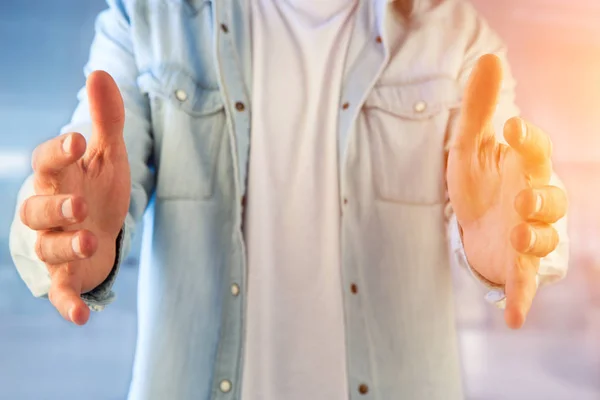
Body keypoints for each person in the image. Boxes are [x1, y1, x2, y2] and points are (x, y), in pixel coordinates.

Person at [9, 0, 570, 399]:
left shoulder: (458, 38)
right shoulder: (146, 20)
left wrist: (513, 242)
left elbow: (519, 191)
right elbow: (77, 182)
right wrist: (64, 234)